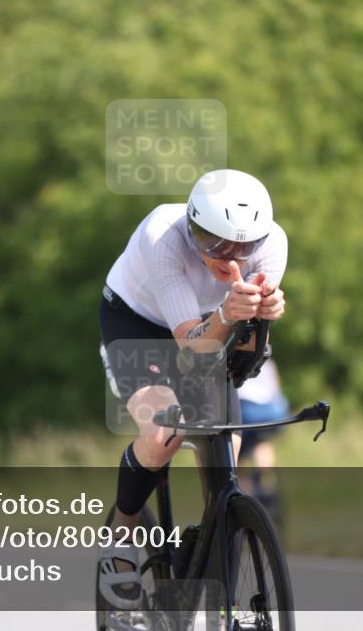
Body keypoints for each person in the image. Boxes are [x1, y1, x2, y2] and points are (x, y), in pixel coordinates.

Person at [98, 169, 288, 609]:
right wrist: (228, 312)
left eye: (244, 246)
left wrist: (264, 313)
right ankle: (121, 532)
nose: (230, 257)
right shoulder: (162, 236)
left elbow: (239, 341)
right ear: (191, 226)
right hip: (139, 322)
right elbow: (189, 344)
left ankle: (214, 564)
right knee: (163, 434)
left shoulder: (274, 244)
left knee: (226, 454)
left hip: (211, 323)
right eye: (214, 243)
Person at [237, 358, 289, 521]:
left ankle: (245, 497)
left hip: (246, 408)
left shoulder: (233, 359)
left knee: (236, 455)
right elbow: (276, 389)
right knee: (262, 442)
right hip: (271, 411)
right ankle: (267, 485)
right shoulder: (267, 360)